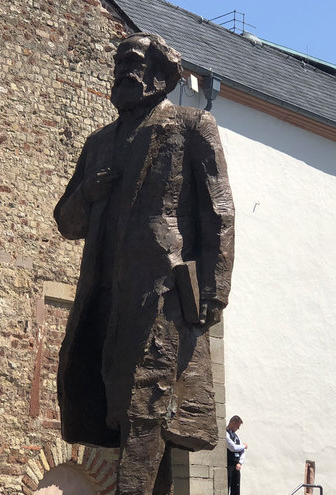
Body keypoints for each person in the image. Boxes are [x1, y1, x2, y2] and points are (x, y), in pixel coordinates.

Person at [54, 32, 235, 495]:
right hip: (105, 292)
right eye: (118, 64)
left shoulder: (191, 126)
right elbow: (66, 222)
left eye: (133, 62)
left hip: (162, 292)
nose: (123, 73)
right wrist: (89, 193)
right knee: (116, 405)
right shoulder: (98, 144)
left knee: (148, 406)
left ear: (161, 72)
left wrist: (213, 294)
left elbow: (219, 212)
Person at [226, 415, 247, 495]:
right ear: (233, 423)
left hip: (236, 465)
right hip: (229, 464)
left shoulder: (236, 437)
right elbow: (233, 448)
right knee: (227, 485)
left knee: (236, 488)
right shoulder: (225, 433)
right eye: (237, 426)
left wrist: (240, 463)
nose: (238, 428)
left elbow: (242, 451)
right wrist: (244, 446)